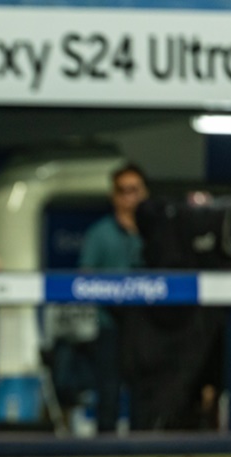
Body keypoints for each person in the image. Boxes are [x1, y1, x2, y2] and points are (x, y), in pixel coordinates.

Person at [78, 163, 147, 435]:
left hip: (148, 329)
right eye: (122, 191)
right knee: (108, 391)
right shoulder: (99, 233)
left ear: (144, 193)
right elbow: (83, 278)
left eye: (135, 190)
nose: (129, 197)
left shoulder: (156, 229)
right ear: (113, 195)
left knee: (145, 392)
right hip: (110, 325)